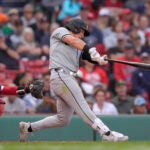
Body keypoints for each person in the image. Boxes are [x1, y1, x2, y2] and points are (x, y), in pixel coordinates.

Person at [19, 18, 128, 142]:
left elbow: (87, 56)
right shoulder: (60, 31)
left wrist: (98, 59)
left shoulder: (77, 44)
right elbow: (72, 41)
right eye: (81, 32)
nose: (82, 35)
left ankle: (28, 128)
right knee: (82, 106)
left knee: (63, 119)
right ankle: (106, 133)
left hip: (65, 78)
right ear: (74, 27)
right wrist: (91, 50)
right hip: (62, 76)